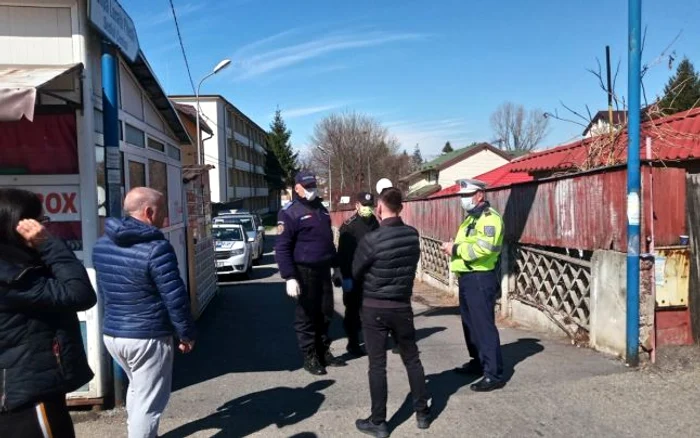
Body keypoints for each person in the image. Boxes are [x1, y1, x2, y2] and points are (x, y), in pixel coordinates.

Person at [93, 187, 196, 438]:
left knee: (138, 391)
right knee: (149, 403)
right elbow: (174, 296)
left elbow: (106, 292)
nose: (165, 217)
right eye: (162, 210)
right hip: (147, 337)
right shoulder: (156, 248)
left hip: (114, 334)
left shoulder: (102, 245)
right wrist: (185, 333)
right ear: (149, 212)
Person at [0, 188, 96, 438]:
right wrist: (48, 245)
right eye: (40, 222)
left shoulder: (16, 264)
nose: (45, 228)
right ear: (18, 227)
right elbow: (79, 293)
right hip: (28, 398)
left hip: (27, 389)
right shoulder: (11, 276)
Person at [352, 187, 431, 437]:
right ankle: (422, 413)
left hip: (375, 306)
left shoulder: (372, 239)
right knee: (412, 358)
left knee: (377, 365)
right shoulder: (412, 235)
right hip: (402, 306)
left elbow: (356, 271)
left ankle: (379, 422)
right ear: (401, 207)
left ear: (379, 208)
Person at [275, 171, 346, 376]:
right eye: (307, 186)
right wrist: (289, 276)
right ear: (297, 188)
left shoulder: (320, 209)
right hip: (303, 270)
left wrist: (336, 267)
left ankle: (324, 351)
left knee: (325, 312)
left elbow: (327, 242)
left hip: (323, 269)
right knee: (306, 316)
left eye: (313, 185)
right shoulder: (290, 212)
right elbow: (282, 247)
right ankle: (310, 356)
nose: (312, 189)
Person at [441, 178, 505, 392]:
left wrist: (455, 249)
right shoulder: (471, 219)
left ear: (480, 195)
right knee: (470, 325)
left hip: (480, 277)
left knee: (483, 326)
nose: (463, 200)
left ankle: (493, 374)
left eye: (467, 195)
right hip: (467, 277)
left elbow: (483, 249)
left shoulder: (489, 219)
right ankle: (478, 361)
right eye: (461, 196)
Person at [337, 191, 379, 356]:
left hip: (371, 275)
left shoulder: (375, 222)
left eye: (370, 205)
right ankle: (353, 342)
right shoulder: (349, 225)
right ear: (357, 206)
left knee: (370, 311)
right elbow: (343, 255)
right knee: (353, 311)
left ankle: (370, 341)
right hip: (354, 276)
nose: (367, 208)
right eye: (364, 205)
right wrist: (345, 276)